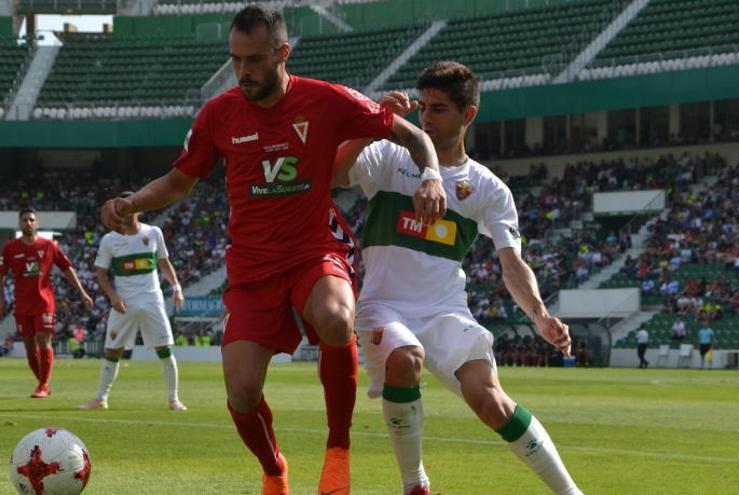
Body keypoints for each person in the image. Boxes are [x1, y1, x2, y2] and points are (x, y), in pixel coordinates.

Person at [99, 6, 442, 495]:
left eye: (255, 60)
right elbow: (179, 181)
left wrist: (429, 175)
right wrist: (131, 201)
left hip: (313, 250)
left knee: (336, 318)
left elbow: (408, 134)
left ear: (283, 53)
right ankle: (274, 467)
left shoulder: (326, 100)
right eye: (236, 60)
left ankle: (338, 450)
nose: (243, 71)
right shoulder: (218, 113)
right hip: (252, 269)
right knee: (240, 393)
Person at [334, 61, 582, 495]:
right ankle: (415, 484)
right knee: (405, 358)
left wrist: (541, 316)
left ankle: (570, 492)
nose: (426, 118)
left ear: (468, 115)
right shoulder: (390, 156)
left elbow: (512, 263)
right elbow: (335, 175)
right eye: (423, 106)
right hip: (384, 307)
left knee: (492, 403)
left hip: (445, 311)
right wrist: (370, 122)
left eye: (440, 109)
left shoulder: (486, 188)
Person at [80, 196, 187, 411]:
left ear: (138, 210)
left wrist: (176, 287)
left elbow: (164, 262)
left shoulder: (153, 233)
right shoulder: (110, 240)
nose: (126, 215)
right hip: (124, 302)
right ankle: (101, 398)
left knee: (164, 348)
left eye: (129, 210)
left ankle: (173, 399)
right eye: (121, 212)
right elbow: (100, 272)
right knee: (113, 350)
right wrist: (113, 296)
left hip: (152, 299)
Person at [0, 207, 94, 398]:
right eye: (25, 220)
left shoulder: (49, 246)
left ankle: (43, 385)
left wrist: (82, 292)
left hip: (44, 302)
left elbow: (67, 269)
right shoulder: (10, 248)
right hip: (22, 304)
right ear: (19, 224)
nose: (28, 223)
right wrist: (1, 300)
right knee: (29, 347)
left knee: (43, 342)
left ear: (37, 223)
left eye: (31, 220)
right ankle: (43, 384)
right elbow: (1, 275)